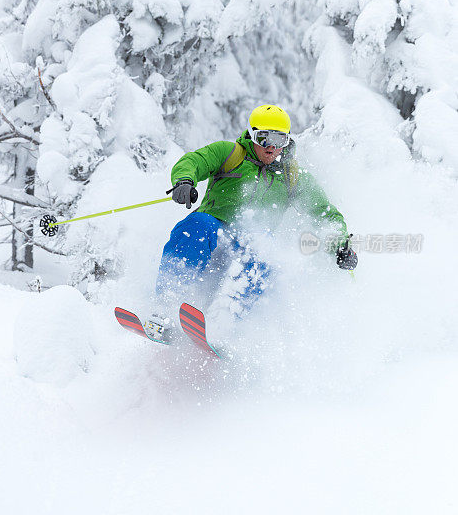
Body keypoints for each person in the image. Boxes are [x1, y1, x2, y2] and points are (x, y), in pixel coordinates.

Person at [145, 104, 357, 340]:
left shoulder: (291, 176)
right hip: (214, 232)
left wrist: (340, 244)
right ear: (251, 134)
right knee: (197, 225)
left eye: (279, 139)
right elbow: (194, 161)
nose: (271, 147)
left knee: (266, 250)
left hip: (250, 244)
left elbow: (324, 212)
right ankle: (165, 307)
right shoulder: (230, 154)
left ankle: (223, 327)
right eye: (263, 137)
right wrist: (184, 180)